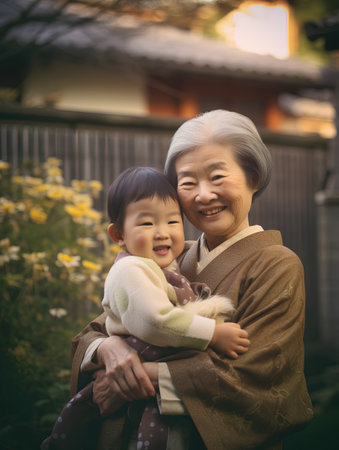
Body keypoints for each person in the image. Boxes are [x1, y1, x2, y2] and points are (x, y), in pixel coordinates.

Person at [70, 110, 313, 450]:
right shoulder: (168, 257)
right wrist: (109, 349)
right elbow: (101, 327)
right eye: (187, 182)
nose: (202, 195)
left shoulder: (277, 265)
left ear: (253, 178)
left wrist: (128, 379)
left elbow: (257, 375)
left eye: (217, 177)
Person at [42, 167, 249, 450]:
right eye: (147, 224)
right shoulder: (131, 269)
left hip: (151, 382)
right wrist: (213, 333)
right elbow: (155, 321)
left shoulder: (161, 265)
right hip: (142, 381)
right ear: (118, 235)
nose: (162, 233)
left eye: (172, 221)